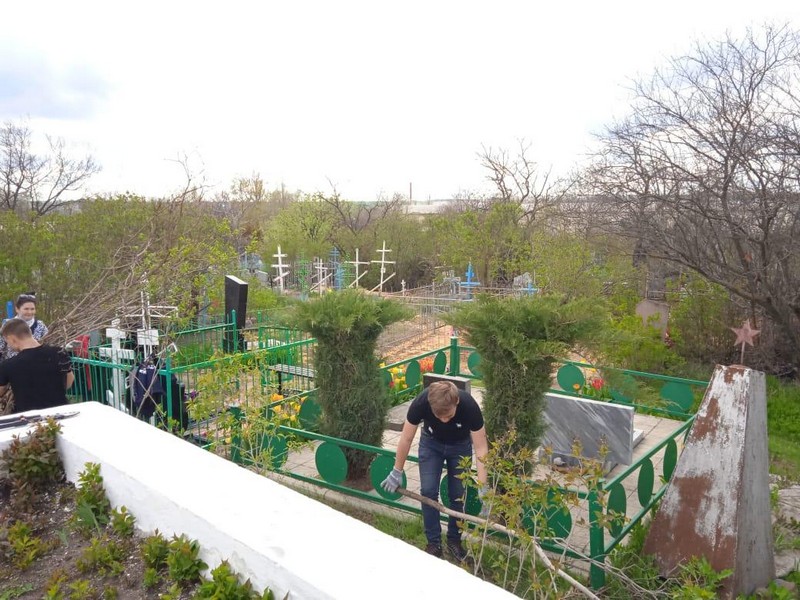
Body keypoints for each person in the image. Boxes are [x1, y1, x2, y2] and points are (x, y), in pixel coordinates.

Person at [381, 381, 489, 560]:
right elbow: (406, 438)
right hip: (431, 444)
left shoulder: (469, 406)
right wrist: (397, 471)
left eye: (449, 415)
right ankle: (434, 543)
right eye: (439, 416)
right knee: (428, 491)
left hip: (460, 446)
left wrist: (483, 486)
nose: (444, 420)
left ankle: (454, 541)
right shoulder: (421, 402)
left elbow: (481, 448)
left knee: (458, 495)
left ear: (456, 402)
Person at [0, 318, 74, 412]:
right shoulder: (59, 352)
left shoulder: (9, 365)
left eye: (7, 342)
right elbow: (69, 382)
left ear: (12, 338)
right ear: (30, 332)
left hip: (28, 416)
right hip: (60, 413)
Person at [0, 293, 49, 361]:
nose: (29, 312)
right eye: (26, 309)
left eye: (32, 309)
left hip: (34, 363)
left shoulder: (40, 325)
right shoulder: (8, 325)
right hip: (12, 364)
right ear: (17, 309)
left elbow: (47, 344)